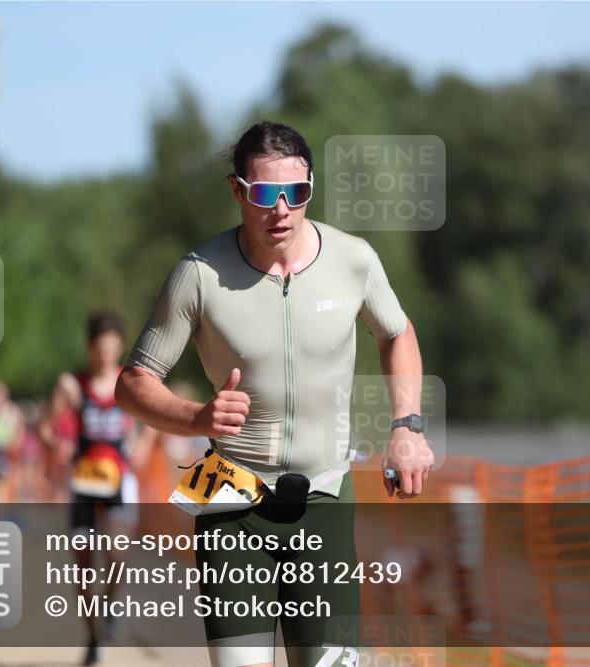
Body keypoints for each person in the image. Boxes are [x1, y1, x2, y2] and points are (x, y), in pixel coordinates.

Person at [116, 121, 434, 667]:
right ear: (238, 190)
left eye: (298, 192)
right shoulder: (199, 274)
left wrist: (406, 425)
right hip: (232, 504)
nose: (282, 208)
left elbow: (397, 332)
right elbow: (133, 384)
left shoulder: (353, 260)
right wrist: (196, 416)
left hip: (324, 501)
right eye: (265, 194)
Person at [40, 311, 146, 665]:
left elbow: (155, 419)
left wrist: (141, 444)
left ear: (119, 348)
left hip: (119, 479)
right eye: (99, 348)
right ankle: (93, 636)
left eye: (112, 347)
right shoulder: (72, 385)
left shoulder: (131, 382)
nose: (105, 354)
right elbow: (45, 427)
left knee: (117, 555)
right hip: (84, 480)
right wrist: (57, 444)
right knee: (84, 567)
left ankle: (111, 603)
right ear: (90, 348)